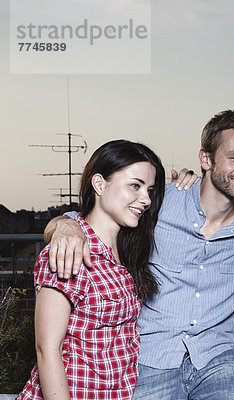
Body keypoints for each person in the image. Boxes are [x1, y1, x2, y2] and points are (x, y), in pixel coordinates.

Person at [44, 110, 234, 400]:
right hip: (150, 356)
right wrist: (65, 226)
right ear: (205, 159)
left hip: (218, 358)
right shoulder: (161, 202)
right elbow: (93, 217)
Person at [17, 140, 166, 399]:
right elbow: (47, 350)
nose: (145, 199)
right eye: (135, 185)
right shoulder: (70, 251)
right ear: (99, 184)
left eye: (149, 190)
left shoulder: (126, 254)